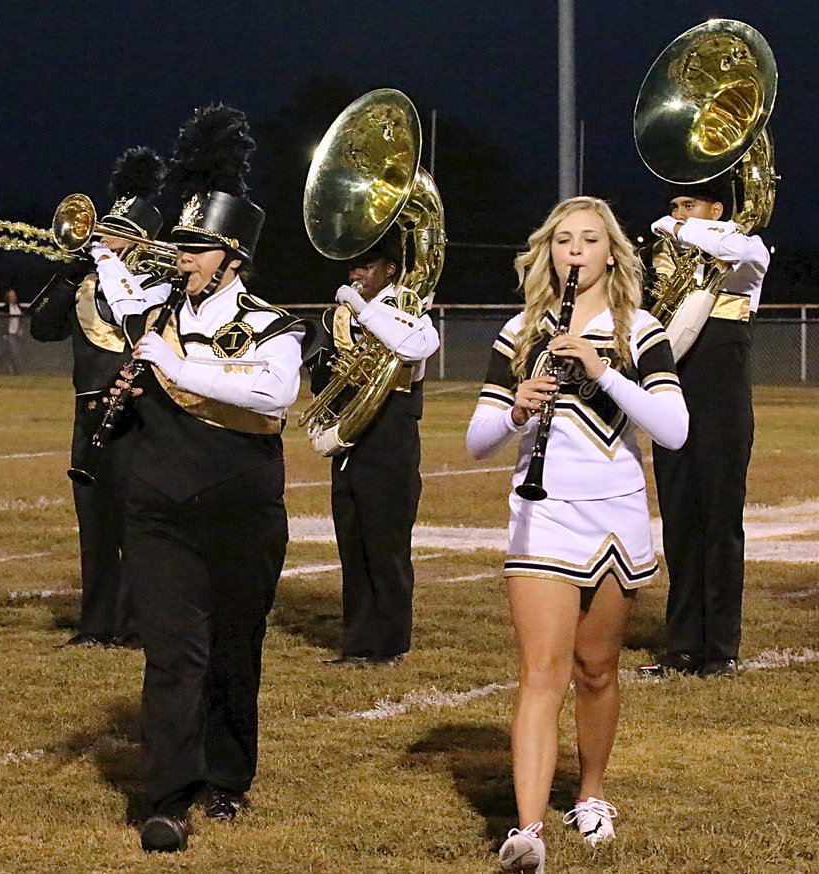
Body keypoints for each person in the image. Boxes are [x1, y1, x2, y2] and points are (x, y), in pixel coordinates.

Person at [93, 105, 306, 853]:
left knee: (234, 648)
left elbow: (275, 393)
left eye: (196, 247)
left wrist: (177, 366)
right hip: (158, 507)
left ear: (233, 256)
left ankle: (229, 777)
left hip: (242, 509)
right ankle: (167, 797)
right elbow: (103, 294)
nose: (180, 257)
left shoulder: (275, 326)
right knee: (172, 651)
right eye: (179, 246)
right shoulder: (155, 316)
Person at [465, 197, 688, 872]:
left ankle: (590, 795)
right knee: (541, 673)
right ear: (549, 252)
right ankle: (527, 829)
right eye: (564, 240)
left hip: (615, 515)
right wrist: (516, 410)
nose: (576, 251)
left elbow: (674, 430)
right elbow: (476, 439)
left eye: (590, 240)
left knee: (596, 671)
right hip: (545, 515)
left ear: (611, 253)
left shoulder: (642, 329)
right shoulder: (520, 330)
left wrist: (602, 370)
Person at [29, 146, 168, 647]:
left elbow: (136, 324)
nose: (101, 240)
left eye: (112, 234)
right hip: (88, 413)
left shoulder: (159, 284)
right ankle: (96, 623)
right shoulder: (85, 281)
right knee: (95, 523)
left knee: (137, 522)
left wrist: (109, 267)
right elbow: (40, 327)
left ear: (140, 241)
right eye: (101, 231)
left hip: (139, 414)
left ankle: (136, 624)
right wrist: (67, 274)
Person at [646, 178, 770, 678]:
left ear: (716, 209)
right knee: (679, 523)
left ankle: (720, 648)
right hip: (671, 398)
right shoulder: (667, 257)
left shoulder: (746, 250)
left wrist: (676, 227)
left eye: (688, 203)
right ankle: (680, 646)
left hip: (721, 404)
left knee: (720, 524)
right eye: (673, 204)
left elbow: (732, 246)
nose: (676, 212)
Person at [306, 229, 440, 665]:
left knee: (386, 544)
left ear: (390, 269)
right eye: (354, 266)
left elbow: (416, 346)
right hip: (351, 434)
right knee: (353, 540)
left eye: (366, 265)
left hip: (390, 439)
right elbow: (326, 373)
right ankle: (358, 642)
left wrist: (362, 308)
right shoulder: (343, 315)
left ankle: (390, 643)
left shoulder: (407, 309)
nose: (357, 273)